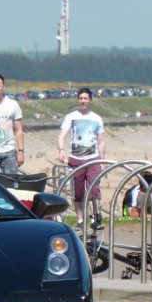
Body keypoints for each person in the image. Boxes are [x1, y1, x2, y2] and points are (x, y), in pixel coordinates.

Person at [57, 87, 105, 230]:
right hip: (76, 159)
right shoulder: (71, 117)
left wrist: (103, 160)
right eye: (81, 98)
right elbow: (62, 135)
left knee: (94, 189)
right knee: (78, 192)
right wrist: (61, 150)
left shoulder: (97, 118)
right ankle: (80, 219)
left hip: (93, 159)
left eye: (86, 98)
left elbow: (101, 141)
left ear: (90, 100)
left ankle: (95, 216)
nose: (83, 101)